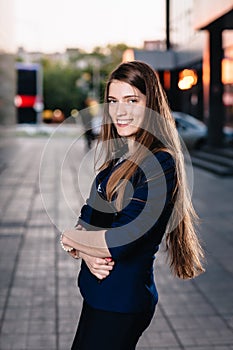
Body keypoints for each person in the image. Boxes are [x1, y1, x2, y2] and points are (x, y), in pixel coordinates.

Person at [61, 60, 205, 350]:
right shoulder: (116, 162)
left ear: (150, 104)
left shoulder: (160, 163)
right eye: (113, 101)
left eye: (131, 100)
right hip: (97, 295)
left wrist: (69, 239)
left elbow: (120, 241)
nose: (120, 111)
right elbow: (86, 220)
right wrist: (85, 252)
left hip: (122, 304)